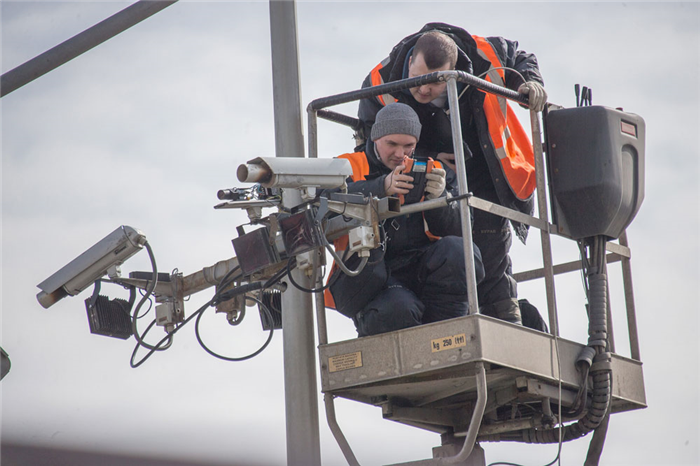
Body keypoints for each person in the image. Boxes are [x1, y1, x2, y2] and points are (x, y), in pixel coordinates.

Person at [357, 23, 547, 326]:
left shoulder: (483, 53)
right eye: (417, 79)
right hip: (428, 177)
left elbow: (520, 56)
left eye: (432, 84)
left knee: (489, 254)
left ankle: (506, 325)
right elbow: (373, 142)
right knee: (444, 252)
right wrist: (426, 159)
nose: (422, 89)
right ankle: (452, 323)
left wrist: (531, 83)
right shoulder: (380, 80)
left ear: (453, 68)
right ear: (409, 62)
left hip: (485, 171)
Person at [324, 103, 484, 337]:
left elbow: (464, 228)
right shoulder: (346, 165)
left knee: (460, 251)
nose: (400, 154)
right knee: (398, 310)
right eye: (392, 144)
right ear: (376, 137)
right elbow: (321, 202)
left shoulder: (434, 170)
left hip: (420, 264)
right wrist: (381, 187)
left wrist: (440, 198)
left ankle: (449, 337)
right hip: (373, 275)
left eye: (408, 146)